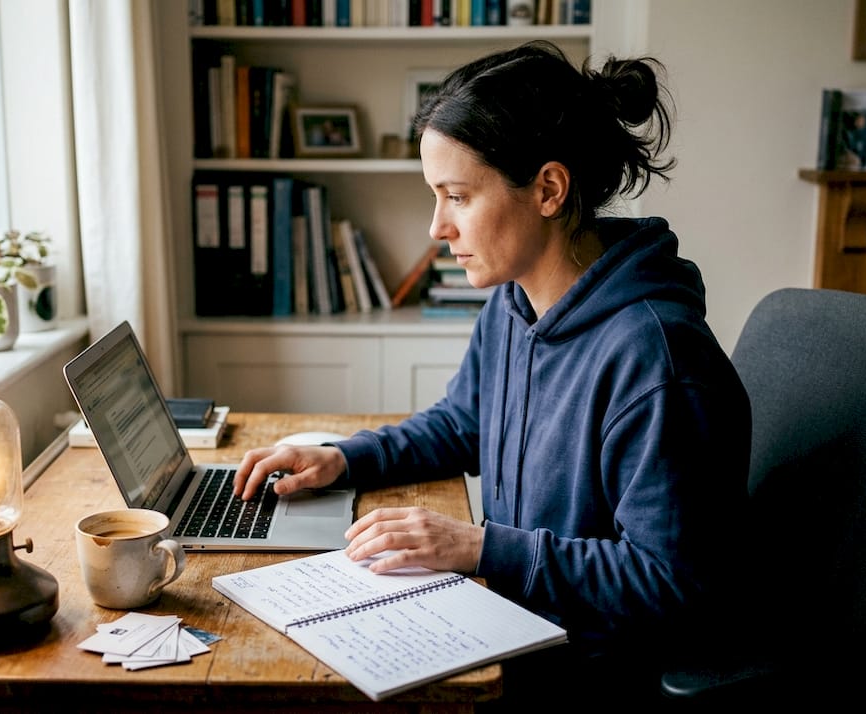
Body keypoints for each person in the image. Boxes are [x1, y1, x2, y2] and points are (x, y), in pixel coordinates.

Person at [234, 40, 750, 709]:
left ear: (548, 188)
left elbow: (672, 584)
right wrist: (342, 457)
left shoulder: (658, 360)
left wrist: (481, 548)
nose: (437, 227)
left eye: (457, 196)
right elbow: (464, 423)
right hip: (515, 622)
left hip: (592, 671)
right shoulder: (516, 302)